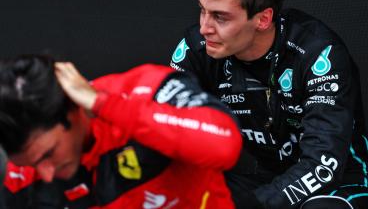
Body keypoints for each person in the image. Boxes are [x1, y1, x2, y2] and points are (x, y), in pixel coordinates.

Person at [170, 0, 368, 209]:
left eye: (220, 16)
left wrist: (252, 204)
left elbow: (323, 165)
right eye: (203, 11)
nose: (205, 27)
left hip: (339, 181)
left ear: (263, 19)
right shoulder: (197, 48)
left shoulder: (318, 53)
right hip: (265, 177)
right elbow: (166, 124)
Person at [0, 54, 242, 208]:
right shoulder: (24, 171)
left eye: (48, 154)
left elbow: (225, 145)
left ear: (73, 110)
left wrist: (103, 104)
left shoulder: (146, 90)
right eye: (32, 164)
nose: (47, 174)